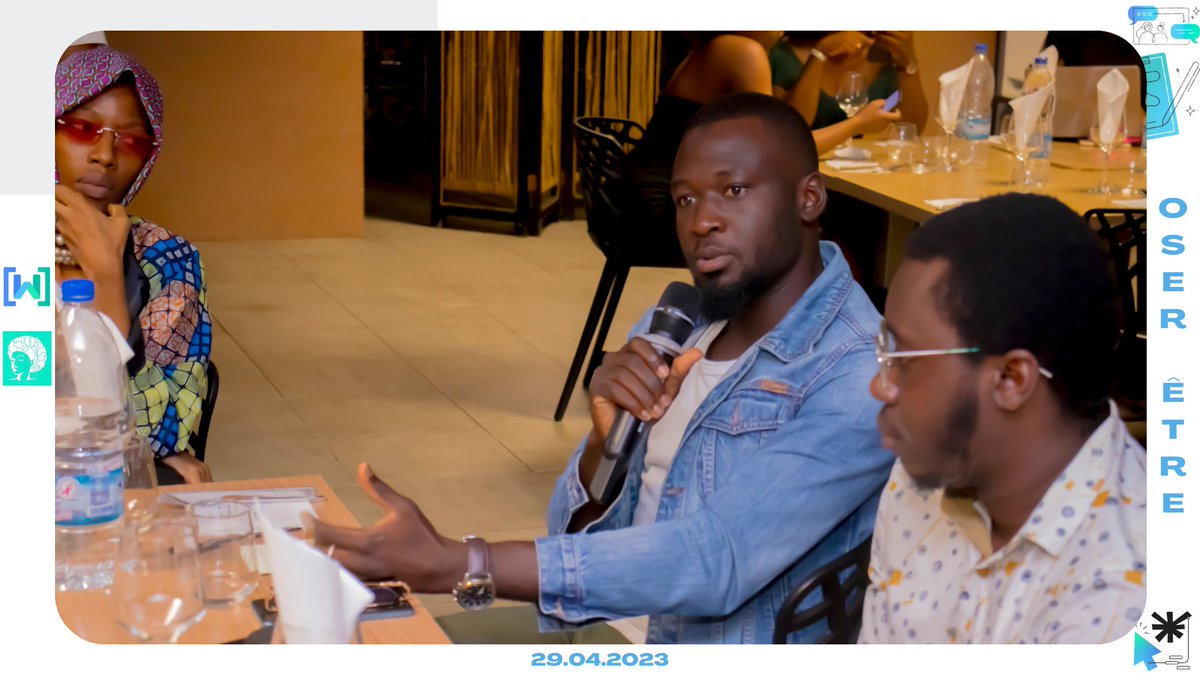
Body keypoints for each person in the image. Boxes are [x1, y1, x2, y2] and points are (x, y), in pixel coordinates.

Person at [311, 92, 894, 644]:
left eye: (734, 190)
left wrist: (464, 562)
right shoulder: (679, 325)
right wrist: (603, 445)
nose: (701, 222)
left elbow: (716, 559)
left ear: (809, 198)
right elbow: (571, 530)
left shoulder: (857, 374)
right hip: (600, 623)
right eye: (685, 200)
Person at [859, 193, 1146, 644]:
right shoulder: (924, 472)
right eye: (885, 350)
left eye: (905, 358)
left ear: (1011, 379)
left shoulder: (1122, 605)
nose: (880, 386)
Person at [55, 46, 214, 484]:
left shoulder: (166, 259)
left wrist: (106, 279)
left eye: (130, 140)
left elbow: (158, 431)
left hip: (99, 492)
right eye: (82, 128)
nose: (105, 155)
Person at [620, 32, 902, 262]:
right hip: (664, 210)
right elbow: (780, 150)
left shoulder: (715, 48)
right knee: (809, 221)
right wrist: (858, 123)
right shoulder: (742, 52)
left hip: (635, 199)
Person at [769, 31, 928, 132]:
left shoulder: (883, 54)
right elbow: (792, 131)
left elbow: (913, 128)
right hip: (806, 169)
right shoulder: (784, 54)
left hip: (863, 169)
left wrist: (908, 62)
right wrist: (819, 53)